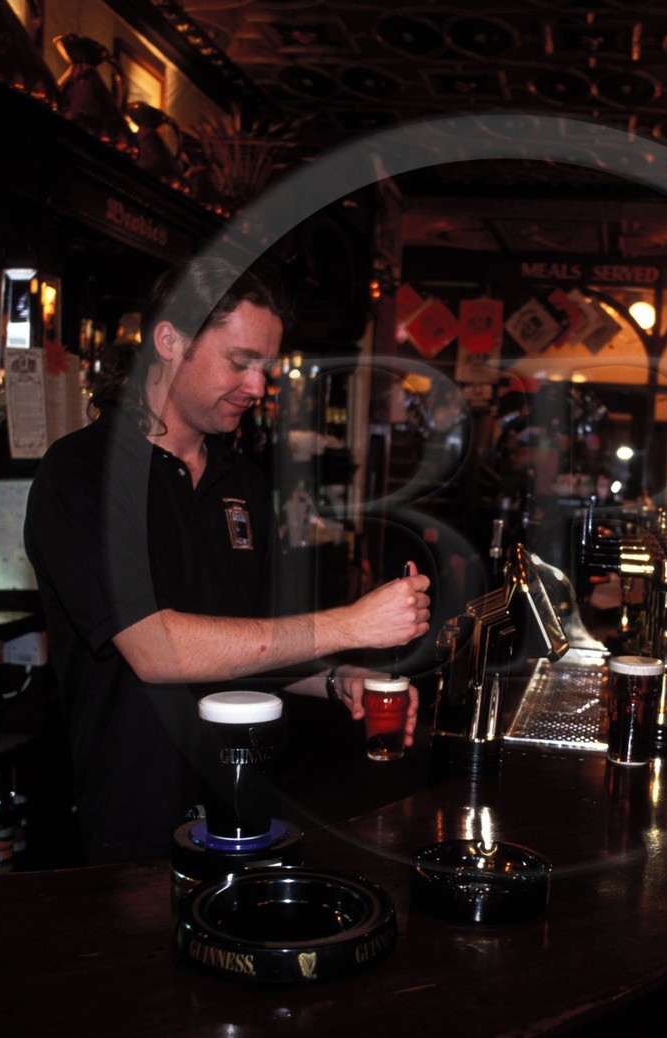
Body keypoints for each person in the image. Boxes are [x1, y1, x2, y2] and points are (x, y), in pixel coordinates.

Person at [24, 256, 431, 865]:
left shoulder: (240, 478)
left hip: (245, 802)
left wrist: (336, 678)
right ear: (169, 340)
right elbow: (155, 649)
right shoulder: (83, 473)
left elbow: (256, 640)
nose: (257, 387)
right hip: (129, 817)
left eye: (266, 368)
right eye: (240, 362)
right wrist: (351, 625)